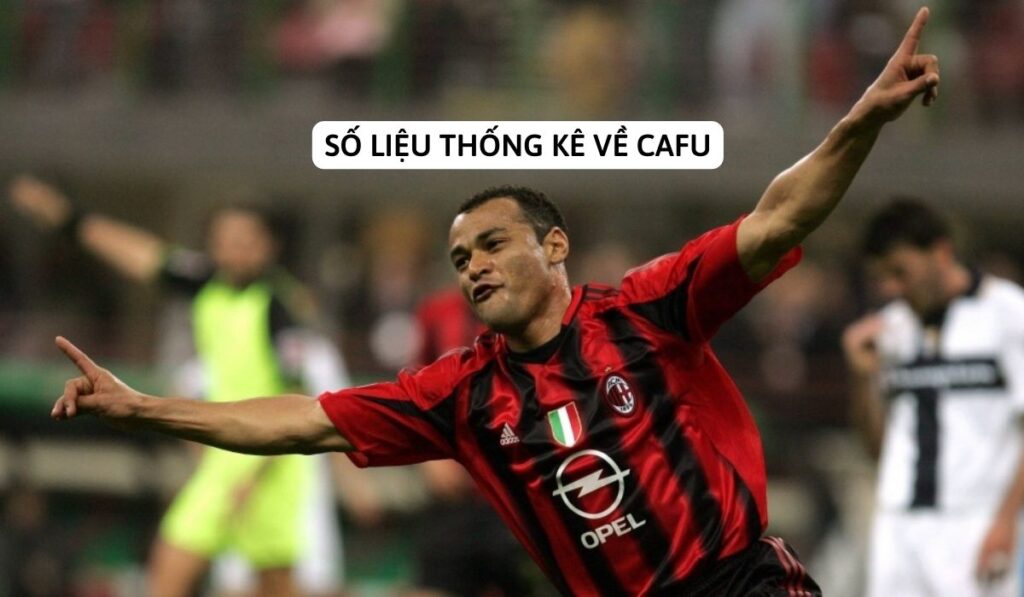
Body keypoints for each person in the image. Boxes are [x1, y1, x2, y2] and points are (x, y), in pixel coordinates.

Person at [46, 7, 940, 595]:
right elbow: (300, 420)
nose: (471, 266)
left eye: (492, 243)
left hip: (737, 581)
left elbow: (778, 217)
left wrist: (861, 120)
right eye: (459, 257)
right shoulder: (462, 391)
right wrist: (144, 407)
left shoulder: (646, 308)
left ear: (555, 246)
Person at [7, 180, 347, 597]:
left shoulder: (281, 306)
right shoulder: (207, 284)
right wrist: (70, 220)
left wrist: (259, 472)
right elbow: (142, 256)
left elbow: (298, 399)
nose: (233, 250)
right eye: (224, 240)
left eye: (245, 241)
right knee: (168, 570)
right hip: (223, 459)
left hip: (273, 461)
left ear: (269, 246)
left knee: (275, 587)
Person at [843, 198, 1024, 597]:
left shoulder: (1010, 315)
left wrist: (1007, 521)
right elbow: (876, 449)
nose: (891, 288)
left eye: (900, 272)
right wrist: (861, 379)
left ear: (941, 253)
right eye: (881, 278)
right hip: (898, 523)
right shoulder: (889, 329)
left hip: (975, 522)